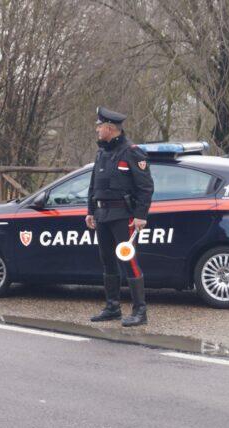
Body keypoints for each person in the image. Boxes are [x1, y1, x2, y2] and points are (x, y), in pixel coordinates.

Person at [86, 107, 154, 326]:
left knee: (128, 261)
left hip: (124, 216)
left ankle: (139, 312)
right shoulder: (102, 152)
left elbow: (145, 187)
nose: (97, 129)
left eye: (99, 126)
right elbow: (94, 184)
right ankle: (112, 307)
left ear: (110, 128)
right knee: (107, 261)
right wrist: (90, 211)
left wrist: (141, 215)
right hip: (102, 214)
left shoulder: (131, 152)